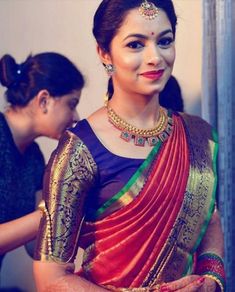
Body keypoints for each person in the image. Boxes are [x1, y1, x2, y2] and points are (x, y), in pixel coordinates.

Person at [33, 1, 225, 291]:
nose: (155, 57)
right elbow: (51, 278)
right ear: (104, 53)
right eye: (136, 44)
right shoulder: (79, 150)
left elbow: (209, 216)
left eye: (165, 41)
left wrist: (210, 279)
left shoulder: (198, 134)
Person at [0, 52, 84, 270]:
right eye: (71, 103)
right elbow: (44, 215)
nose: (75, 116)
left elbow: (32, 244)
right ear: (44, 100)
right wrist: (58, 208)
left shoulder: (34, 157)